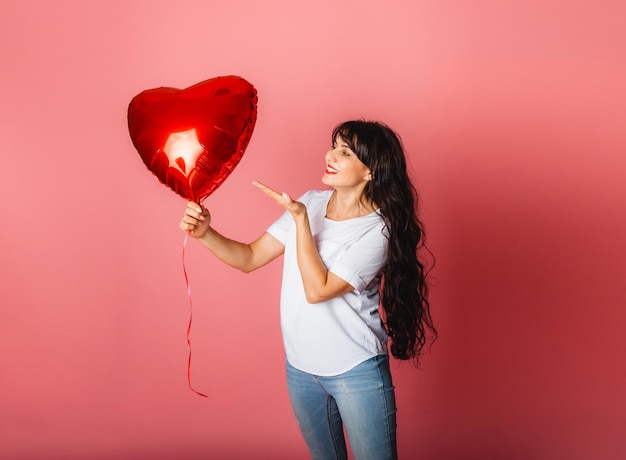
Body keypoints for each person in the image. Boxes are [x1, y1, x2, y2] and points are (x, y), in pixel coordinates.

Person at [180, 120, 436, 460]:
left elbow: (319, 289)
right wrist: (206, 234)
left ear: (371, 172)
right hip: (300, 370)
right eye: (334, 146)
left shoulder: (378, 231)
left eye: (345, 153)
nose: (330, 156)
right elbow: (249, 257)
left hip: (355, 372)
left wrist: (301, 222)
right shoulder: (311, 201)